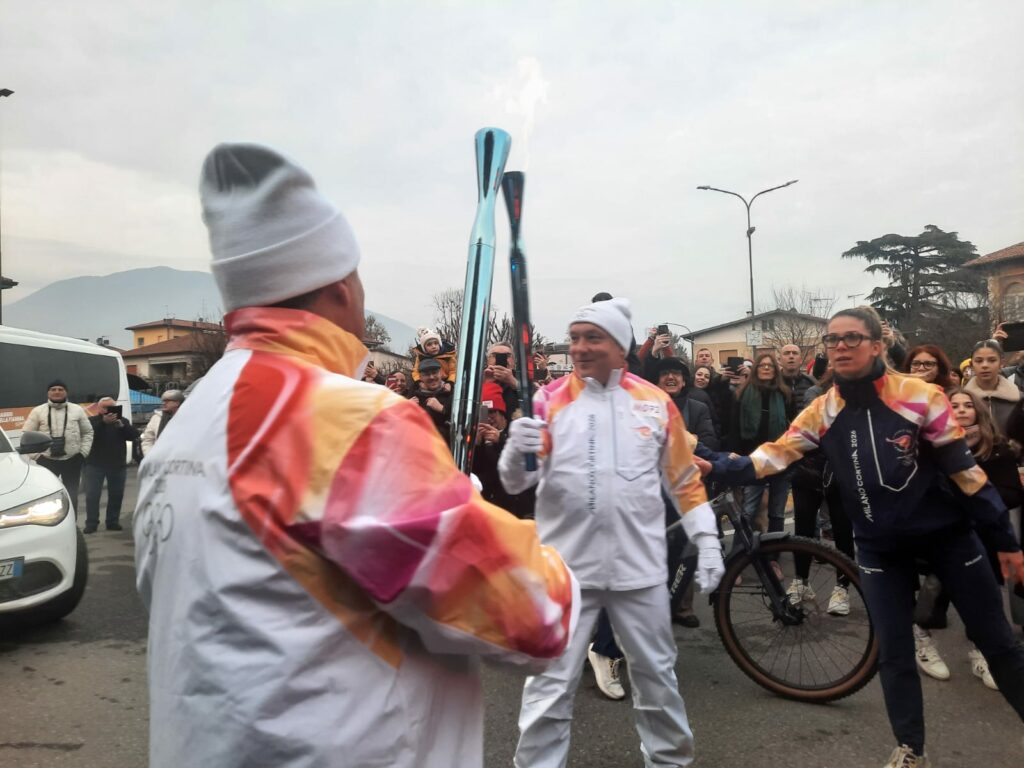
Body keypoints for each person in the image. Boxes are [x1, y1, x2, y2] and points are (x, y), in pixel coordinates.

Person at [134, 143, 578, 768]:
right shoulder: (348, 419)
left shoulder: (187, 422)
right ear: (341, 288)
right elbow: (533, 618)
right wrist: (494, 522)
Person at [712, 306, 1024, 768]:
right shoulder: (824, 407)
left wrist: (1006, 542)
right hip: (879, 548)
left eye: (852, 337)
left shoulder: (921, 396)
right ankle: (912, 751)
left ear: (878, 345)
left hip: (948, 540)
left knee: (998, 644)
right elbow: (775, 456)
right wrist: (719, 465)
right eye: (833, 339)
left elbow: (968, 476)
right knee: (893, 655)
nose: (839, 345)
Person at [500, 296, 724, 768]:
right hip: (565, 572)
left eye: (592, 338)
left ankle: (669, 762)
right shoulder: (548, 399)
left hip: (638, 573)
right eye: (575, 337)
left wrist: (706, 539)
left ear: (621, 346)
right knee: (548, 690)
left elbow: (683, 480)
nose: (579, 348)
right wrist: (514, 450)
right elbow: (517, 482)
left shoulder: (655, 402)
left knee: (657, 682)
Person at [911, 387, 1024, 690]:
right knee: (936, 590)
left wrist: (977, 501)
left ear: (978, 411)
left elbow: (1012, 493)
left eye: (967, 405)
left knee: (985, 598)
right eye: (954, 405)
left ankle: (980, 652)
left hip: (987, 535)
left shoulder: (996, 449)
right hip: (946, 534)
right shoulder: (934, 447)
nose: (961, 410)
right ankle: (923, 638)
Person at [727, 353, 796, 547]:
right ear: (756, 369)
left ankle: (773, 557)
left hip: (780, 460)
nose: (766, 368)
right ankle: (737, 557)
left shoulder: (785, 394)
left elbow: (794, 426)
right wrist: (735, 454)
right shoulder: (742, 393)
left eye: (770, 366)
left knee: (776, 513)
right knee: (747, 511)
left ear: (776, 370)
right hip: (753, 461)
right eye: (762, 365)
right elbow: (734, 428)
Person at [23, 380, 94, 510]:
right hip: (46, 460)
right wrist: (37, 456)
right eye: (53, 389)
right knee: (48, 496)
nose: (57, 392)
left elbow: (88, 432)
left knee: (72, 495)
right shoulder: (38, 411)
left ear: (66, 392)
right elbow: (27, 435)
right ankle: (52, 525)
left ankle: (73, 525)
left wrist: (83, 453)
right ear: (48, 393)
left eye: (60, 389)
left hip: (72, 460)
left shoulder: (77, 410)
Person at [83, 396, 137, 533]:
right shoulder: (91, 421)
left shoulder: (122, 421)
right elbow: (88, 436)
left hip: (117, 464)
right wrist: (103, 423)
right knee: (92, 495)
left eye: (111, 407)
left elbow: (133, 435)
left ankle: (112, 521)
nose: (108, 410)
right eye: (105, 407)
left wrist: (122, 426)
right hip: (94, 464)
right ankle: (91, 523)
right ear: (99, 409)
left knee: (116, 494)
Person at [965, 338, 1022, 437]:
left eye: (992, 360)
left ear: (1001, 363)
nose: (985, 365)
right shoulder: (961, 401)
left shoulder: (1019, 399)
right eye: (979, 361)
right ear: (971, 365)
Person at [407, 358, 452, 442]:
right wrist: (406, 408)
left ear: (441, 373)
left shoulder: (451, 394)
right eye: (427, 374)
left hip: (444, 449)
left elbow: (461, 422)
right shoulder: (413, 395)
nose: (431, 377)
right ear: (420, 377)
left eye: (434, 373)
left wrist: (442, 409)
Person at [141, 390, 184, 456]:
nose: (164, 403)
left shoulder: (187, 418)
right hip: (159, 459)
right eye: (163, 401)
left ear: (177, 403)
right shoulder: (156, 418)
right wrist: (150, 456)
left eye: (168, 401)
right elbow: (148, 439)